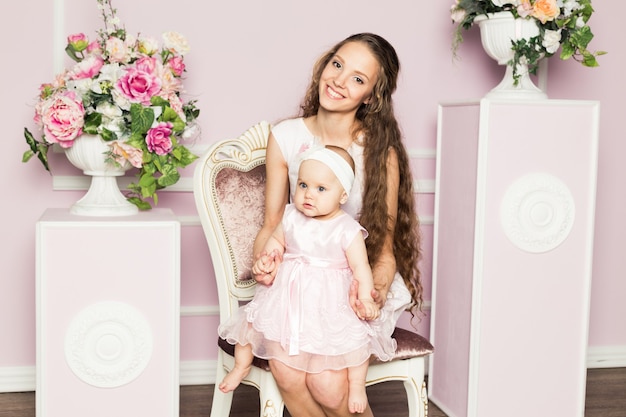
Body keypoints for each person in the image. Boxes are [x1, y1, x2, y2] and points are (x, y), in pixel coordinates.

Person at [252, 32, 424, 417]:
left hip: (354, 282)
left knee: (329, 387)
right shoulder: (286, 136)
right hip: (299, 283)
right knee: (290, 373)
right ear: (325, 64)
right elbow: (273, 224)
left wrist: (371, 293)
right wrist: (266, 260)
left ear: (372, 97)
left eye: (358, 79)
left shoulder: (379, 152)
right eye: (338, 65)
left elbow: (383, 250)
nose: (340, 80)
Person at [218, 145, 394, 414]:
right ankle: (240, 367)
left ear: (343, 195)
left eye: (321, 189)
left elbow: (362, 269)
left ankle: (355, 386)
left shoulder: (347, 229)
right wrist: (270, 256)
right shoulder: (290, 216)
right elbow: (276, 240)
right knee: (251, 325)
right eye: (303, 185)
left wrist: (366, 298)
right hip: (288, 304)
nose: (309, 195)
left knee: (339, 364)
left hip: (327, 308)